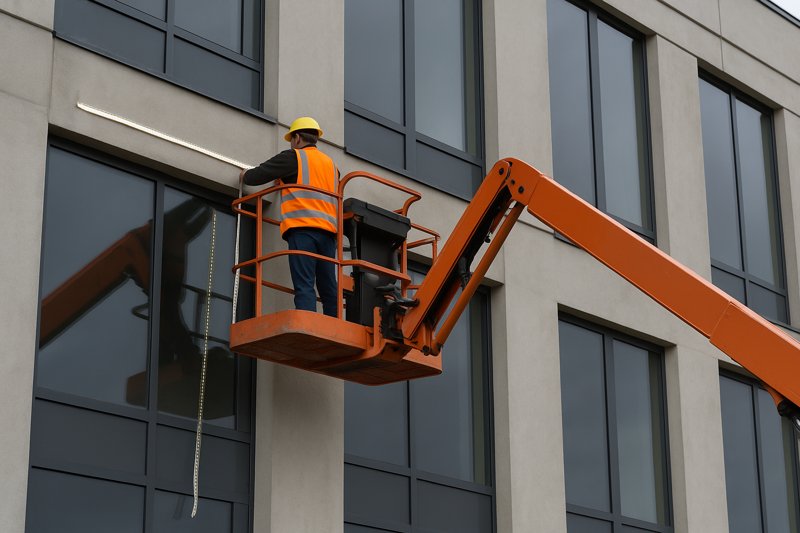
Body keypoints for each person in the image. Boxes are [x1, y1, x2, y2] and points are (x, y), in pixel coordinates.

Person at [239, 117, 339, 317]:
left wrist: (244, 175)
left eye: (291, 140)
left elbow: (255, 176)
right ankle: (334, 324)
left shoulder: (293, 157)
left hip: (303, 229)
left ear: (297, 138)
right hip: (328, 234)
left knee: (304, 284)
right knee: (328, 286)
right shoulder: (332, 166)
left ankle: (306, 322)